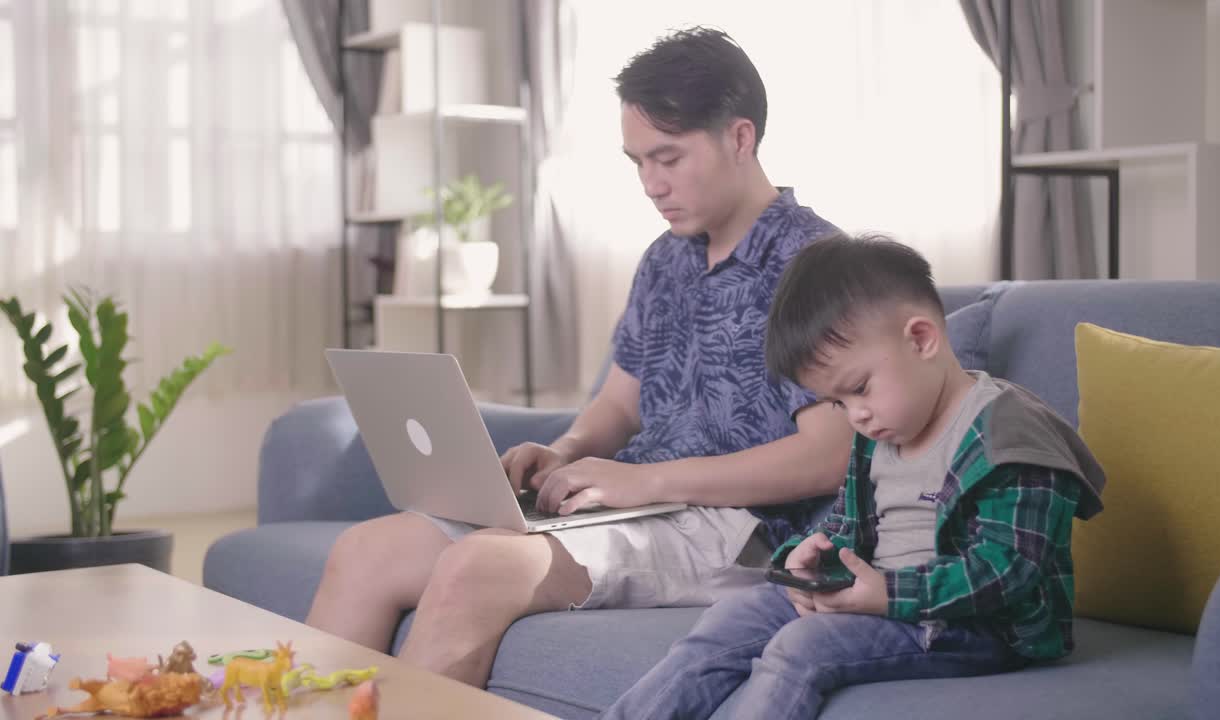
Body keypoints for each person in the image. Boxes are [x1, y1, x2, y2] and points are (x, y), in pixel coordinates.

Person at [305, 27, 855, 687]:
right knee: (365, 551)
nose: (652, 184)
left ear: (740, 138)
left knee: (478, 565)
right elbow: (620, 402)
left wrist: (646, 482)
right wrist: (564, 451)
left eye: (669, 158)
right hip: (643, 507)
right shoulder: (665, 258)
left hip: (742, 530)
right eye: (637, 162)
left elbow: (831, 456)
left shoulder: (817, 264)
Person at [602, 233, 1107, 720]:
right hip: (880, 600)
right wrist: (806, 558)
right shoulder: (878, 434)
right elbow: (847, 526)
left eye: (860, 388)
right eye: (839, 402)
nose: (855, 415)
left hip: (974, 625)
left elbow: (1009, 570)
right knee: (729, 621)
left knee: (804, 647)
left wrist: (887, 595)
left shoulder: (1007, 434)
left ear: (922, 339)